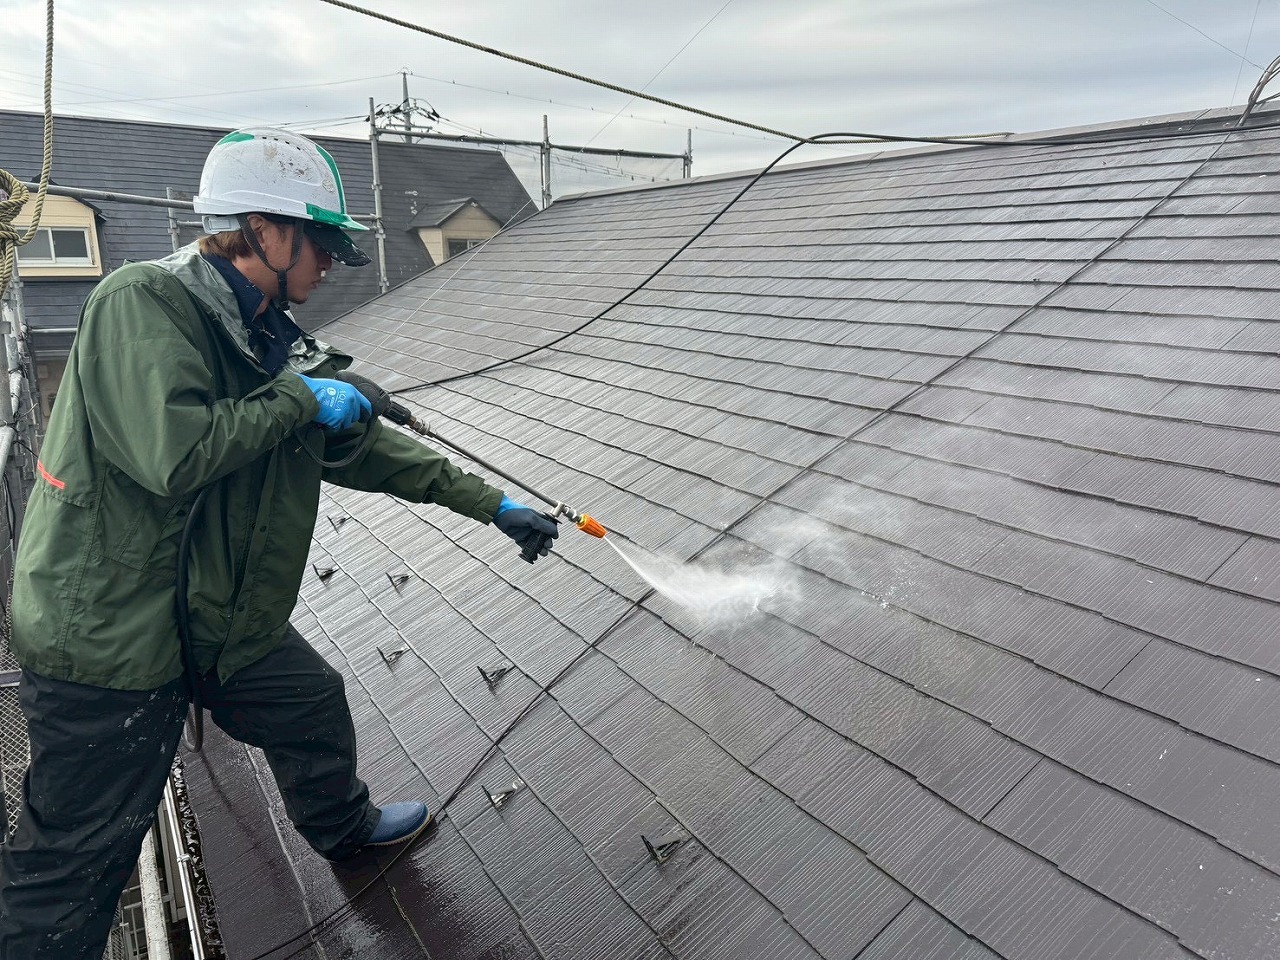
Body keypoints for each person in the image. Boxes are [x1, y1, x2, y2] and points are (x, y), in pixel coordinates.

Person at [0, 128, 558, 960]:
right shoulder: (142, 303)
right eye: (321, 244)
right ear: (262, 230)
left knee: (309, 703)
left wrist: (494, 505)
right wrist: (304, 398)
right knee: (77, 859)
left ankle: (345, 829)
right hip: (108, 633)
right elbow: (173, 454)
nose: (330, 266)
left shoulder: (264, 331)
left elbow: (361, 447)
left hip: (209, 615)